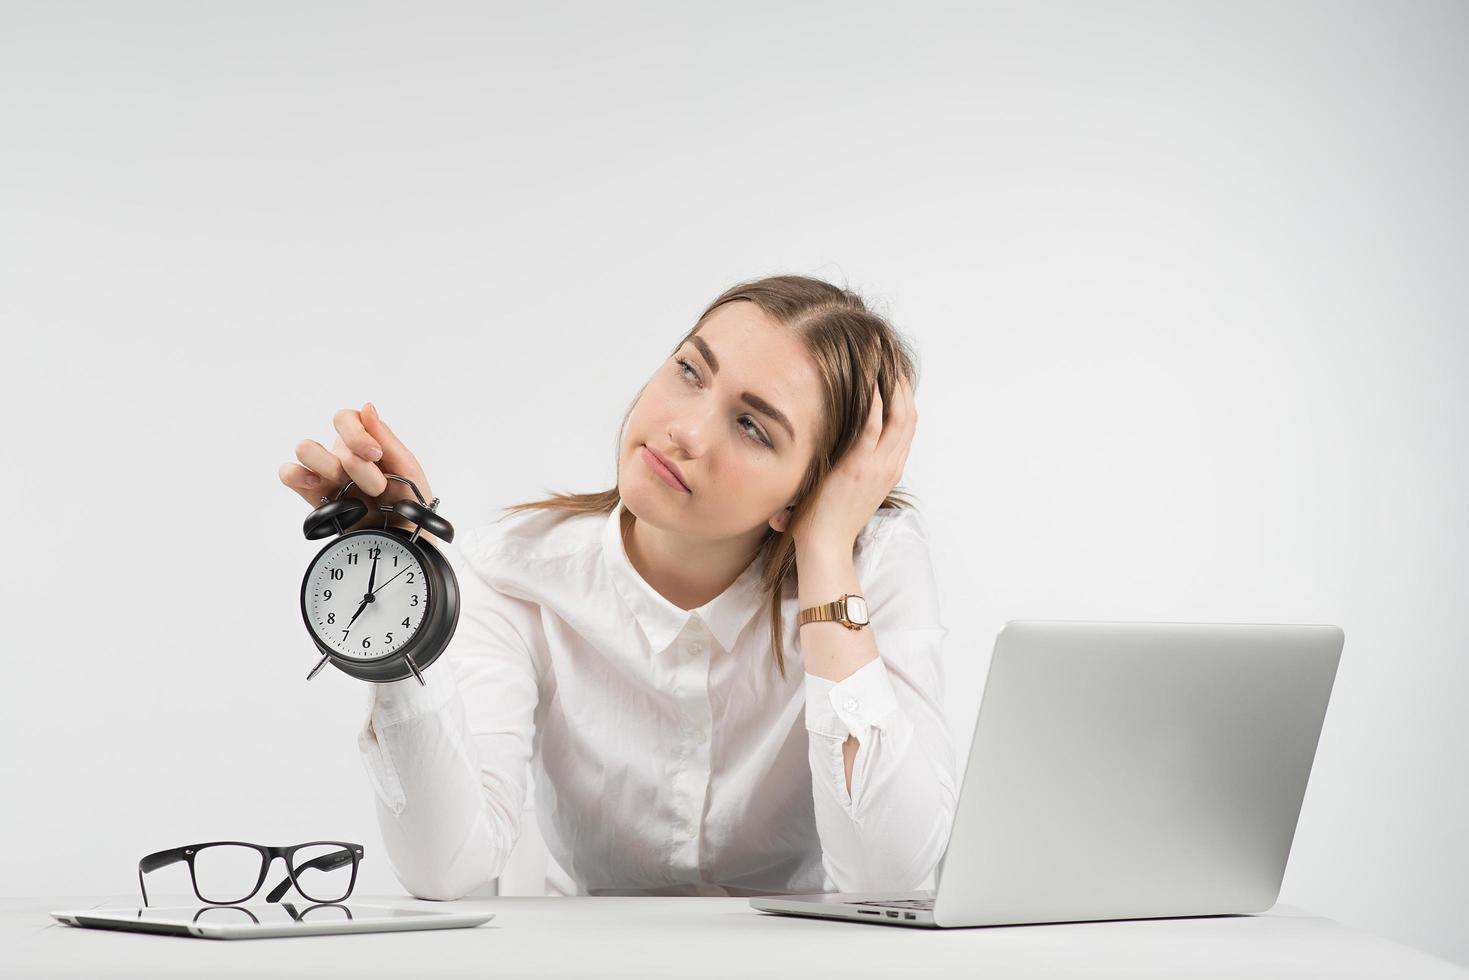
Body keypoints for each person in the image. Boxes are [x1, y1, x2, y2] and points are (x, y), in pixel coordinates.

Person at [278, 274, 956, 899]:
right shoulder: (516, 573)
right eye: (689, 370)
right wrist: (405, 600)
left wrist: (825, 550)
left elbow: (888, 877)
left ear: (809, 490)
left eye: (752, 425)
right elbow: (446, 871)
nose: (684, 430)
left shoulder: (870, 564)